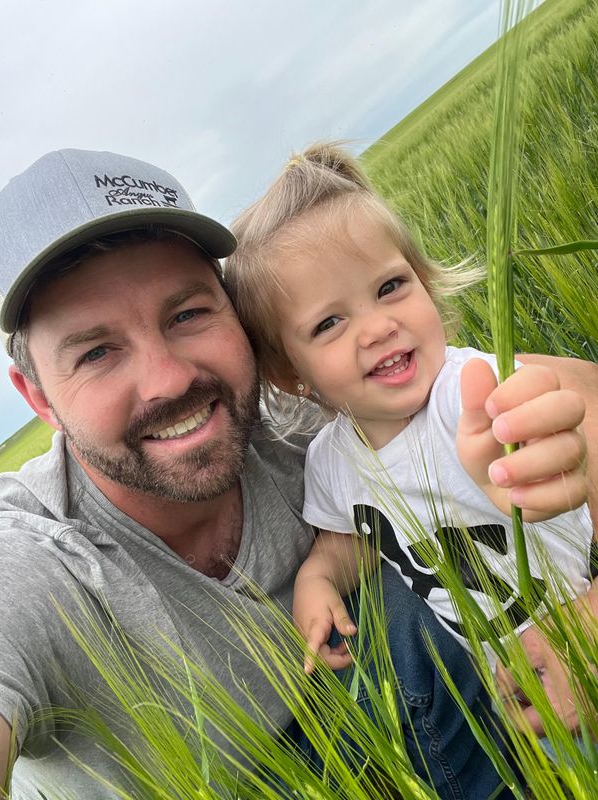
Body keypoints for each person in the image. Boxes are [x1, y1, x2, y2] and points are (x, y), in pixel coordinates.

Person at [0, 148, 594, 800]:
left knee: (408, 604)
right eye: (96, 352)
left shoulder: (306, 417)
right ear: (39, 399)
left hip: (430, 736)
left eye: (188, 314)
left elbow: (566, 394)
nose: (169, 379)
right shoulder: (32, 561)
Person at [225, 143, 598, 785]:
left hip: (582, 636)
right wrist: (317, 581)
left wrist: (532, 437)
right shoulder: (334, 461)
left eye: (390, 287)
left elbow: (568, 425)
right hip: (515, 688)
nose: (376, 328)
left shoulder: (470, 390)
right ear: (291, 374)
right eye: (330, 323)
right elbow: (356, 539)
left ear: (424, 282)